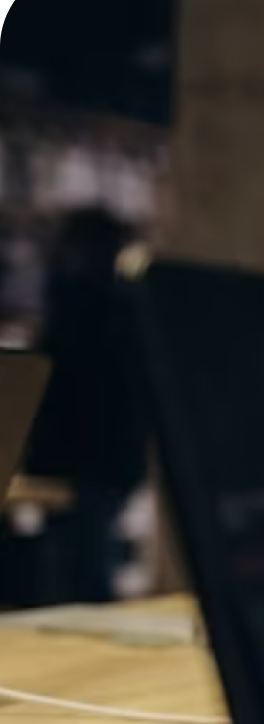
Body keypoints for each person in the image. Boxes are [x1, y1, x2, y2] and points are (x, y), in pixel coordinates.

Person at [24, 208, 146, 603]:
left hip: (76, 460)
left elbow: (55, 386)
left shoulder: (74, 305)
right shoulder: (121, 307)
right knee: (85, 566)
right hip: (106, 461)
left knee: (76, 569)